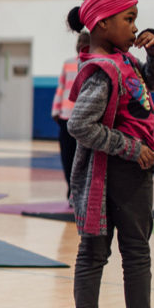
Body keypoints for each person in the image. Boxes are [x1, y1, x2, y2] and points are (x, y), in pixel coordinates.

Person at [65, 0, 154, 308]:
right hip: (108, 174)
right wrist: (129, 146)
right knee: (94, 253)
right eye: (129, 19)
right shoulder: (103, 70)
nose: (134, 27)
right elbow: (79, 124)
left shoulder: (126, 61)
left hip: (134, 174)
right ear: (103, 25)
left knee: (137, 252)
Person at [52, 31, 91, 200]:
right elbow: (61, 88)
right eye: (79, 41)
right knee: (66, 157)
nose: (81, 44)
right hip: (65, 117)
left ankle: (81, 192)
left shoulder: (93, 64)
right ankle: (71, 189)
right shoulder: (68, 64)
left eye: (85, 42)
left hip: (84, 120)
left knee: (83, 159)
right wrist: (56, 110)